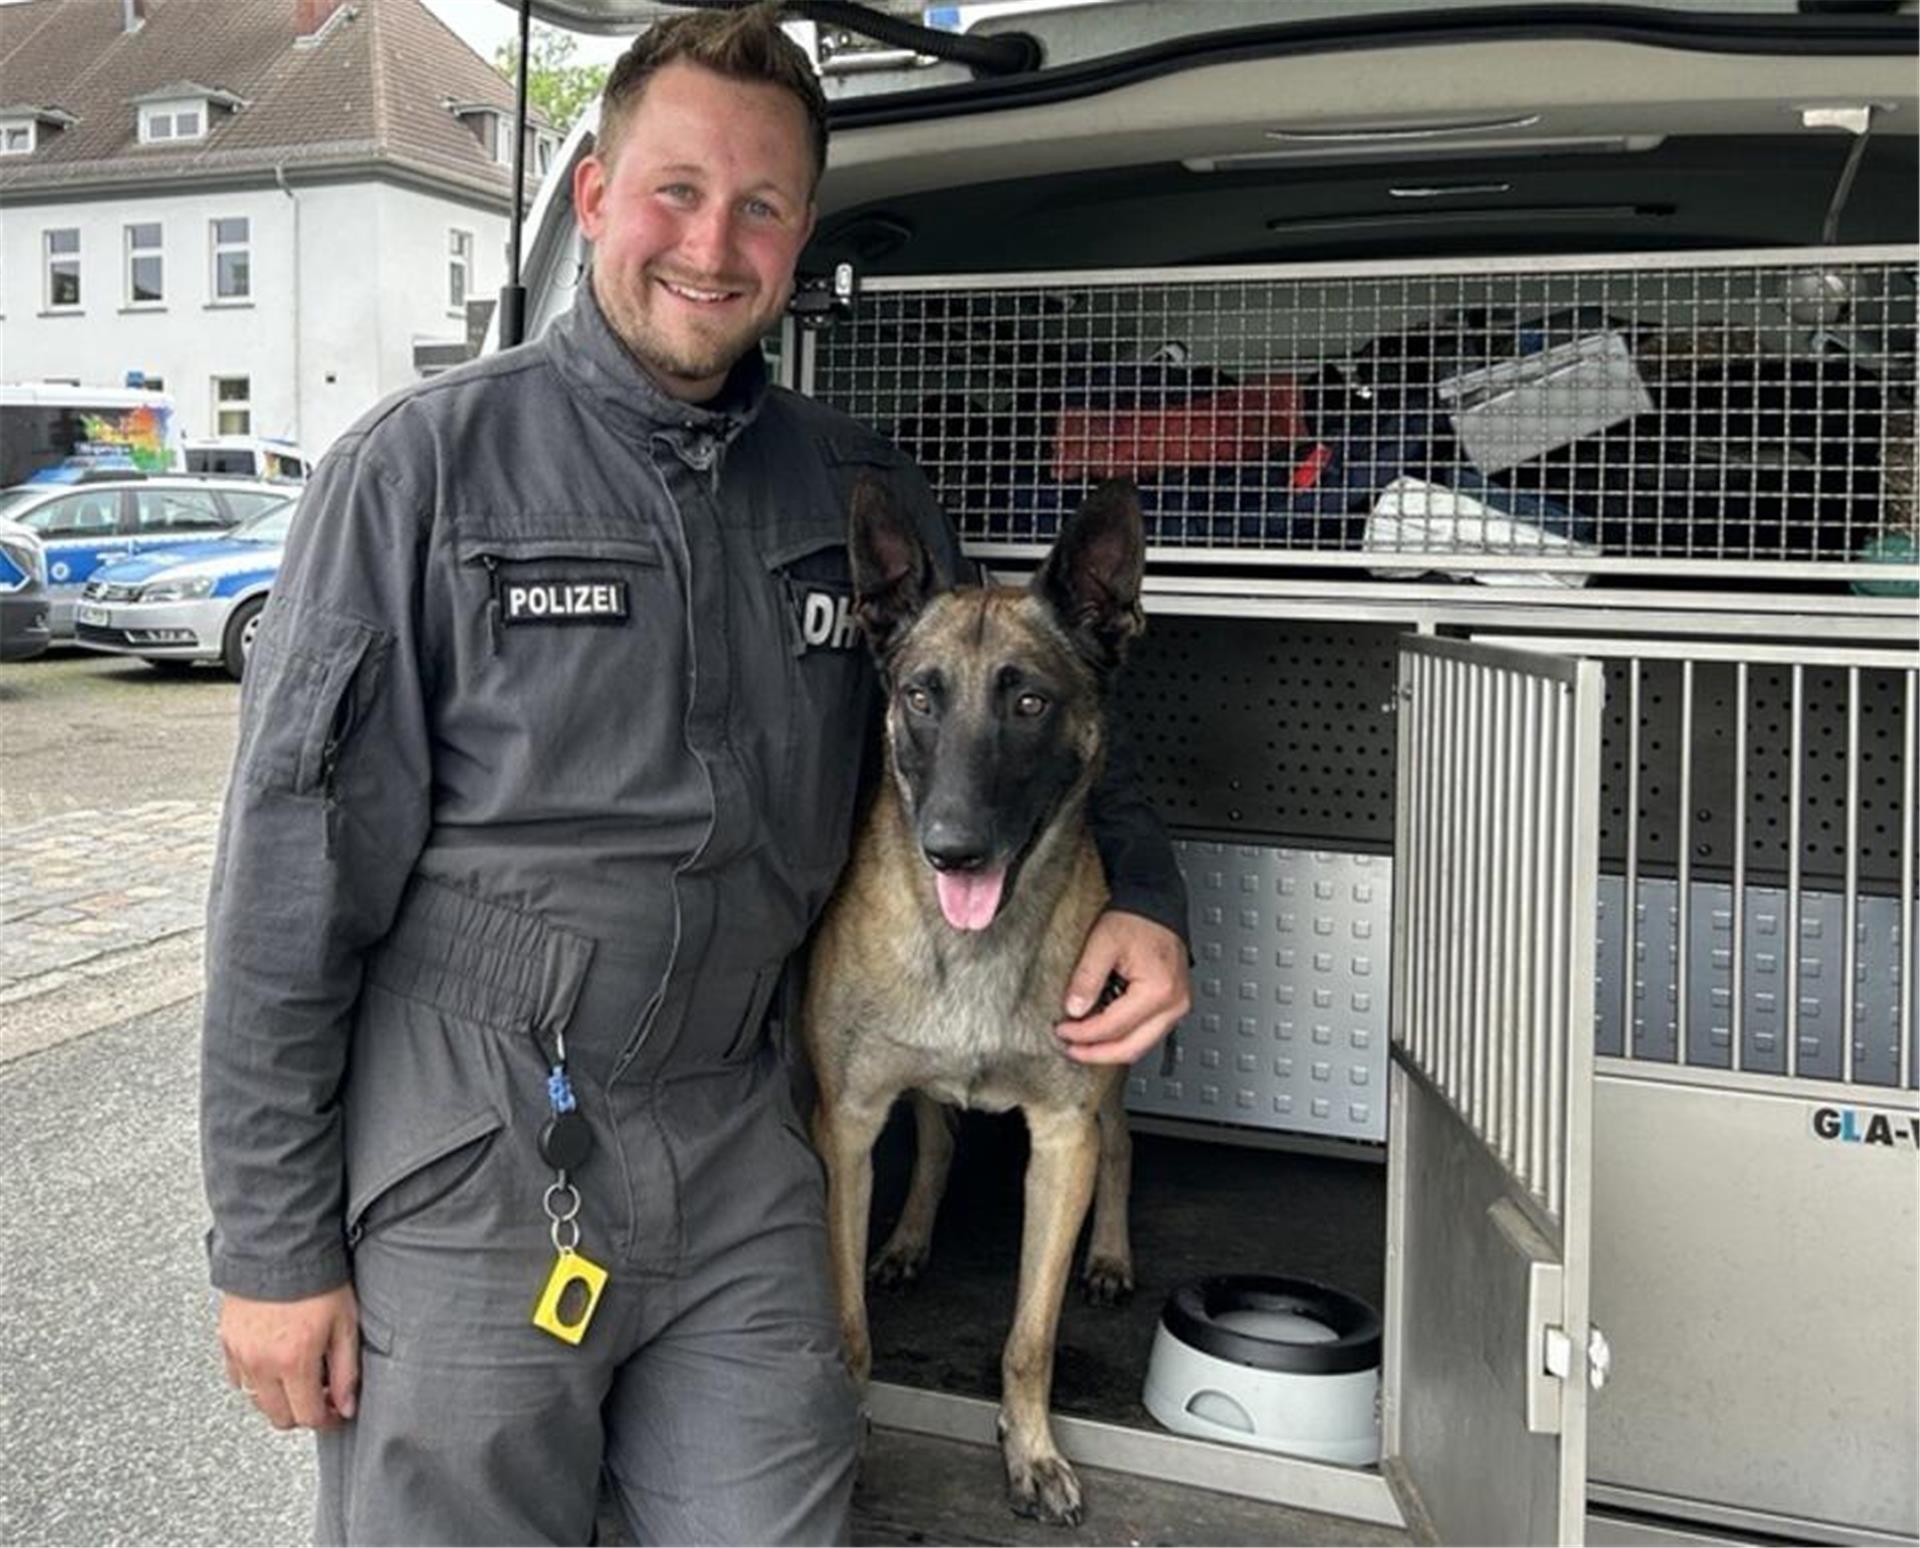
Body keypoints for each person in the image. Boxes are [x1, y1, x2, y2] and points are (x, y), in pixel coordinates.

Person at [201, 6, 1191, 1544]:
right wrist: (271, 1248)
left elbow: (1037, 692)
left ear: (800, 237)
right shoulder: (416, 473)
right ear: (591, 191)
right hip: (485, 1135)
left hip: (747, 1132)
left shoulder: (848, 482)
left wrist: (1153, 902)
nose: (712, 244)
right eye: (674, 190)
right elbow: (284, 886)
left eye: (762, 205)